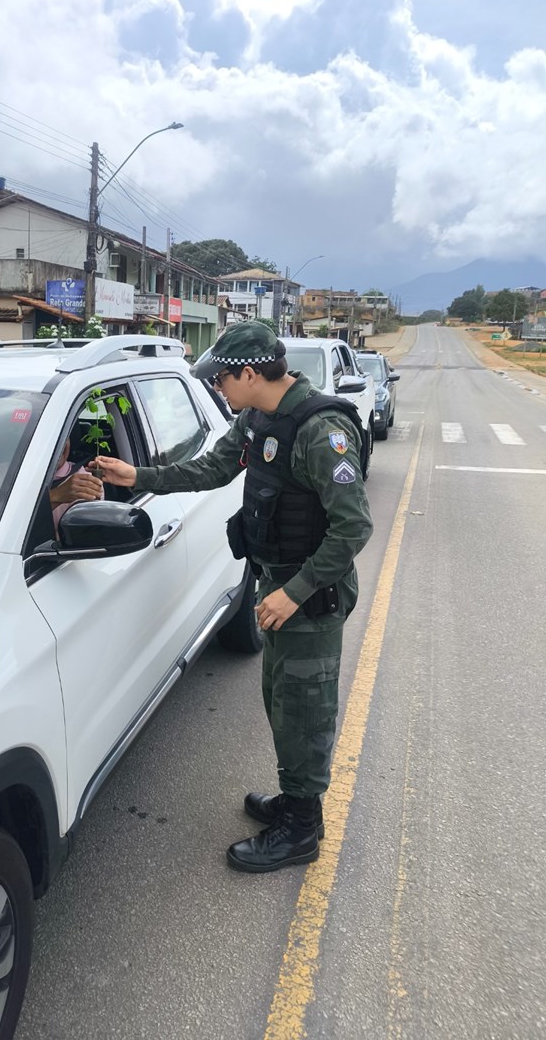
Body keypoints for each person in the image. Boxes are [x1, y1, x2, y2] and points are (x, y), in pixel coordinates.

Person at [92, 322, 373, 873]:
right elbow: (213, 467)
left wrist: (293, 594)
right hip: (277, 583)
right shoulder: (256, 416)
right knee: (281, 701)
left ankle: (301, 831)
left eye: (221, 378)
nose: (216, 388)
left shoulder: (323, 430)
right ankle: (297, 805)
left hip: (310, 597)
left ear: (249, 373)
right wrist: (137, 474)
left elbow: (353, 528)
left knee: (305, 710)